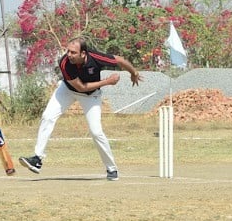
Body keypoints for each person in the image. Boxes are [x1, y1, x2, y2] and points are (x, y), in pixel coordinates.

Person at [19, 36, 142, 180]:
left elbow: (120, 60)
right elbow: (81, 87)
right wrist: (107, 82)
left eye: (73, 52)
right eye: (68, 51)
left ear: (83, 53)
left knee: (96, 132)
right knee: (47, 116)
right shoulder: (65, 63)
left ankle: (111, 169)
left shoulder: (95, 57)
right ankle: (37, 159)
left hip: (92, 96)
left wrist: (134, 73)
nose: (69, 55)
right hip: (68, 90)